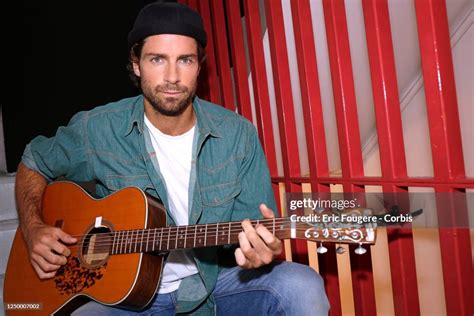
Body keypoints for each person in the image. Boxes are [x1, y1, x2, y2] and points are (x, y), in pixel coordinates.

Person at [16, 2, 329, 315]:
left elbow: (254, 232)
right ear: (136, 64)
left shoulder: (237, 135)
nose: (172, 76)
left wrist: (259, 251)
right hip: (122, 299)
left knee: (302, 286)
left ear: (199, 66)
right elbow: (33, 162)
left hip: (213, 285)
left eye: (185, 60)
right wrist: (33, 229)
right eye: (157, 59)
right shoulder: (97, 129)